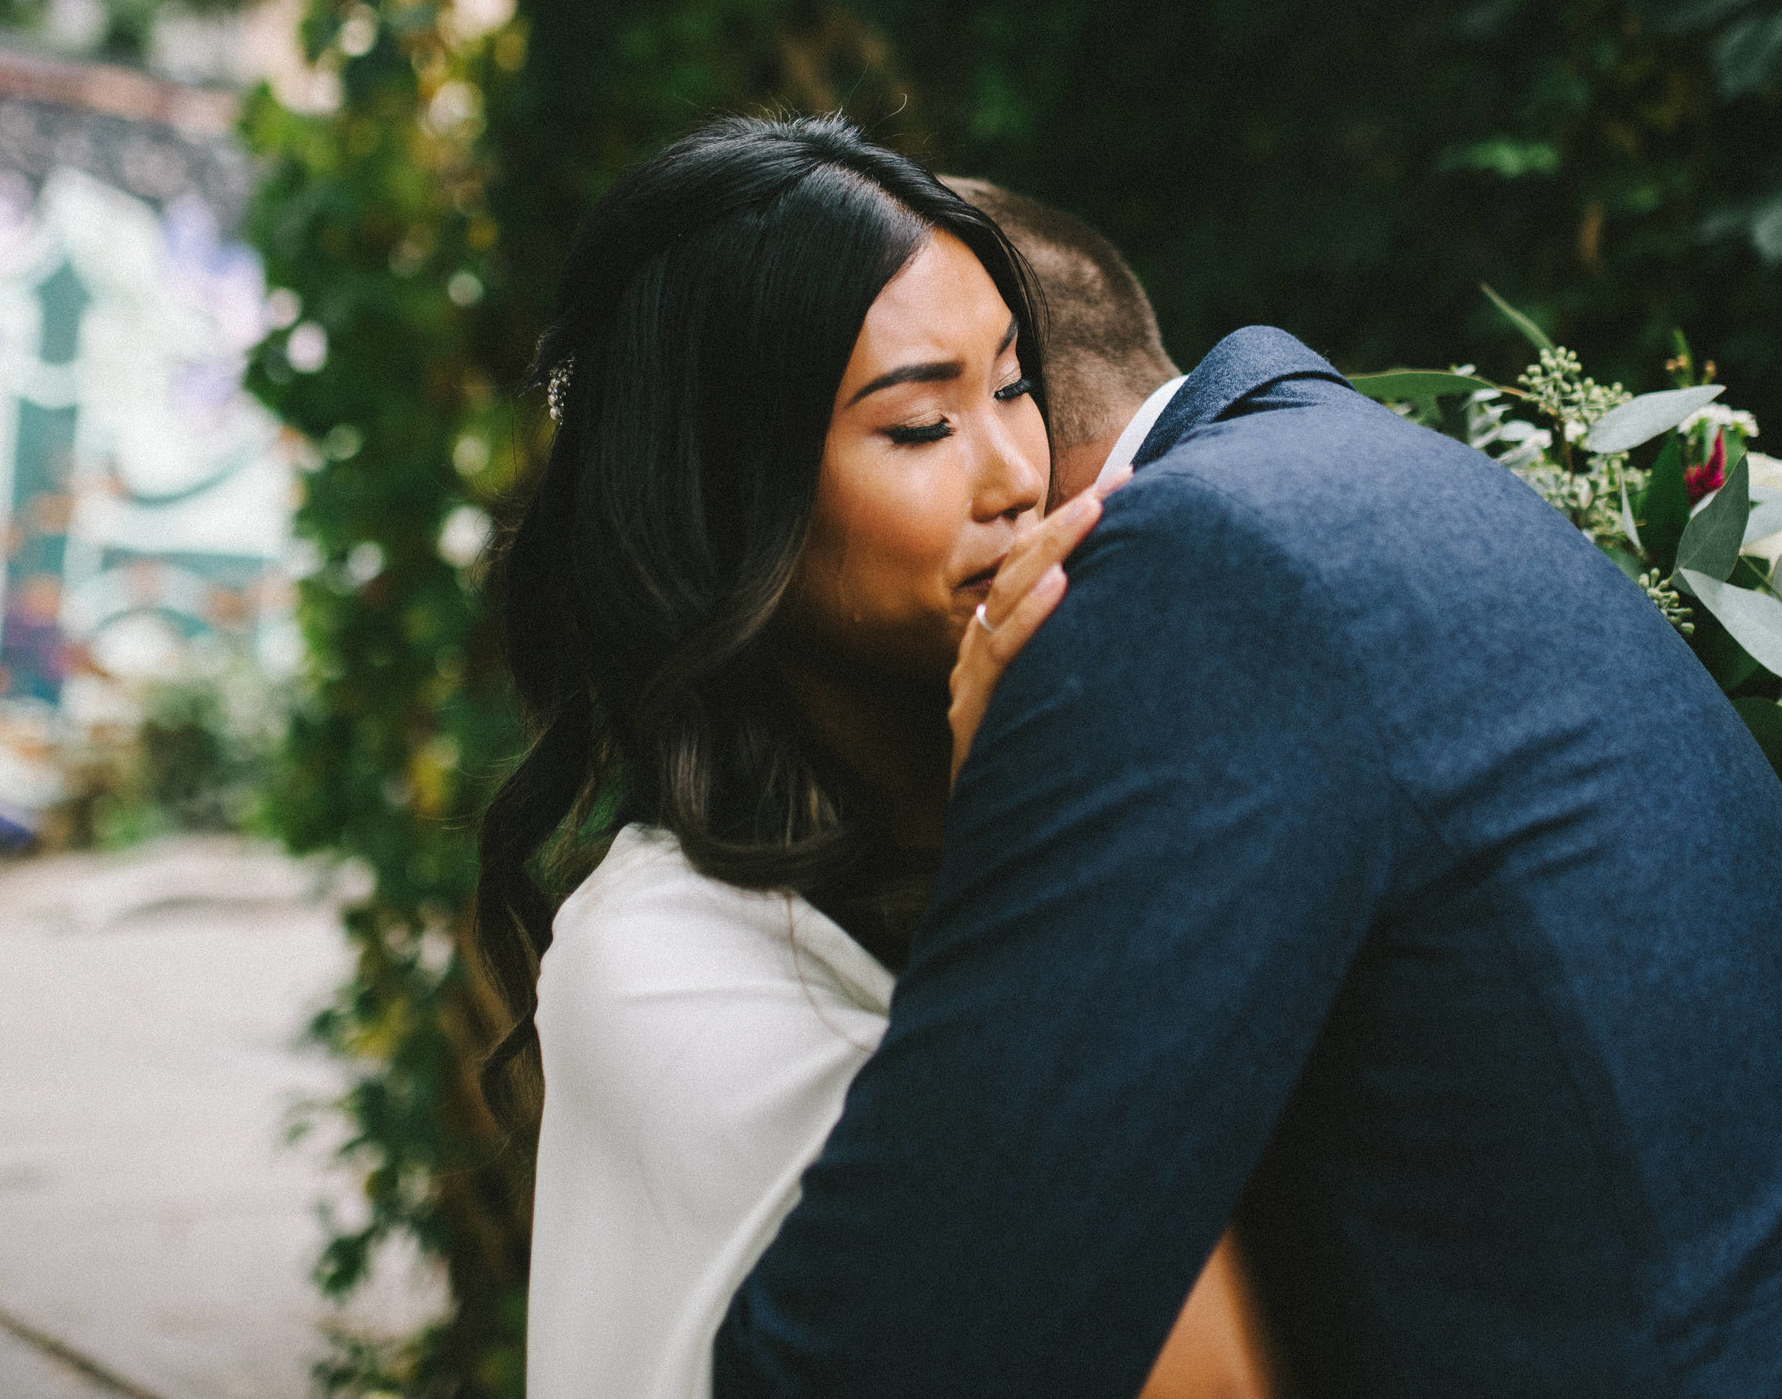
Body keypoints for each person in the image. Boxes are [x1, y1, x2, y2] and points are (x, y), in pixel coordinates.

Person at [706, 210, 1782, 1385]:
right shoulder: (1367, 479)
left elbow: (898, 1351)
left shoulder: (1181, 588)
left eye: (959, 401)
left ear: (1026, 372)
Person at [487, 117, 1279, 1399]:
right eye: (921, 428)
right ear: (727, 507)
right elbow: (1172, 1366)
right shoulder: (662, 964)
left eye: (1013, 385)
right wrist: (1047, 823)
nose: (1015, 476)